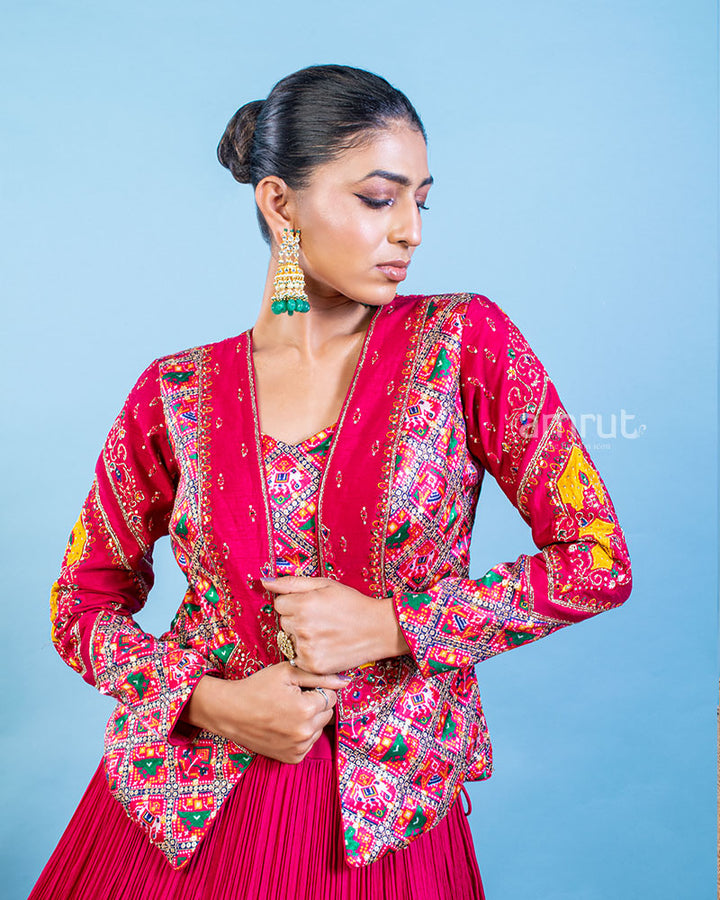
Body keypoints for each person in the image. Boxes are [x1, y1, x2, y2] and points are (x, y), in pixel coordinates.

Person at [30, 64, 632, 900]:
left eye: (424, 198)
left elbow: (595, 559)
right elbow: (80, 605)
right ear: (279, 204)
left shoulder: (464, 346)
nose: (412, 231)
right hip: (177, 818)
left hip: (380, 819)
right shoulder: (173, 394)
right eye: (381, 200)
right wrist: (210, 704)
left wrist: (393, 623)